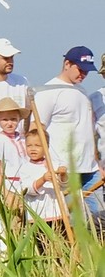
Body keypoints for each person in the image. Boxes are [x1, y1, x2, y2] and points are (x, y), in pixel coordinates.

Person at [32, 47, 99, 207]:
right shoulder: (48, 91)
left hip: (90, 168)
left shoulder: (82, 91)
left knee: (98, 219)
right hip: (64, 167)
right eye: (80, 69)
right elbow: (37, 129)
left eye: (87, 71)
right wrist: (44, 162)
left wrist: (96, 160)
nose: (83, 74)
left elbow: (87, 129)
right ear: (67, 64)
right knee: (73, 220)